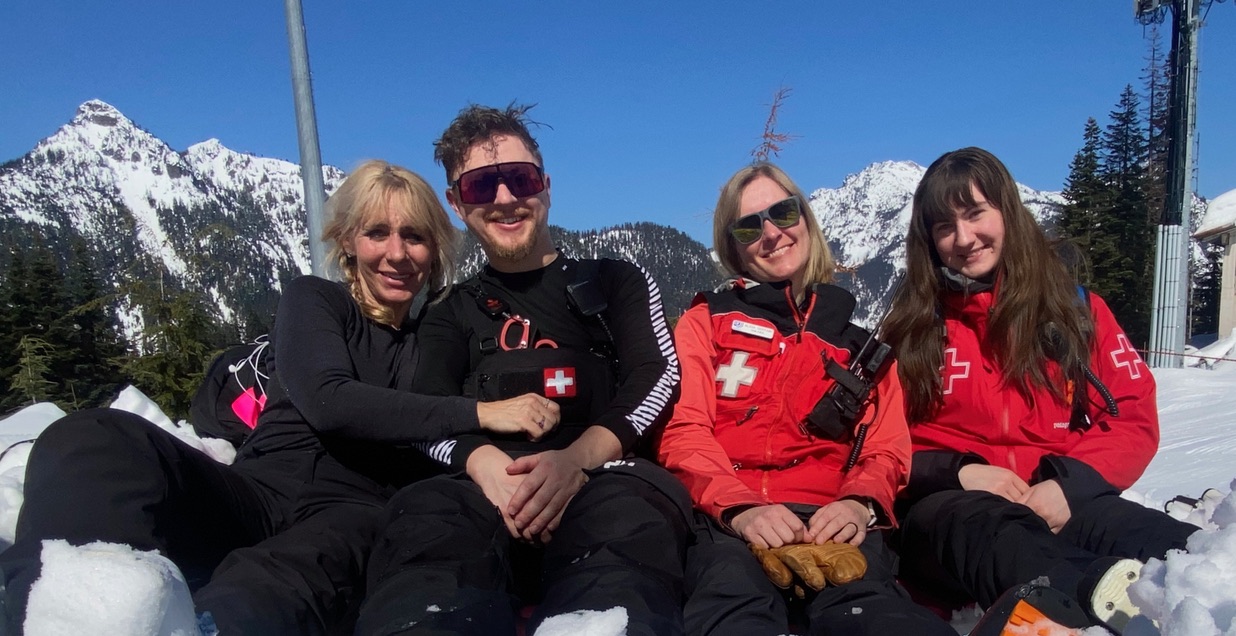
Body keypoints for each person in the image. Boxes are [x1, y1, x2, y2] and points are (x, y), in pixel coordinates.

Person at [0, 160, 554, 634]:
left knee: (282, 579)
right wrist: (477, 411)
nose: (396, 252)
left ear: (434, 252)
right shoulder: (316, 302)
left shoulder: (438, 338)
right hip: (251, 493)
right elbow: (328, 400)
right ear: (347, 242)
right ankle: (69, 607)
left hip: (354, 512)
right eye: (376, 233)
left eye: (413, 236)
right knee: (93, 437)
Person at [355, 104, 691, 636]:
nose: (506, 198)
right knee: (424, 536)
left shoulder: (616, 282)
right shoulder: (448, 310)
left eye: (520, 178)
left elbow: (657, 377)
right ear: (457, 203)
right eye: (481, 186)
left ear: (546, 185)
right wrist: (485, 466)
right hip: (480, 493)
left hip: (605, 483)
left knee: (625, 561)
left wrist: (576, 462)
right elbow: (427, 409)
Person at [882, 147, 1198, 634]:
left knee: (1169, 547)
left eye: (975, 214)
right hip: (950, 515)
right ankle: (1090, 608)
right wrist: (955, 471)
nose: (964, 238)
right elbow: (874, 444)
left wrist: (1069, 485)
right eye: (944, 227)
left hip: (1054, 496)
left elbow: (1132, 415)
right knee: (994, 535)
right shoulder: (910, 328)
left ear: (1006, 210)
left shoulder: (1072, 312)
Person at [658, 162, 955, 635]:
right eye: (749, 226)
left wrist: (859, 504)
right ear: (733, 246)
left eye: (783, 212)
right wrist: (740, 508)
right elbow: (685, 430)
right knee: (731, 604)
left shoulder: (862, 349)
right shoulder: (705, 321)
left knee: (873, 613)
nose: (771, 233)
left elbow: (885, 449)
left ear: (806, 218)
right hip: (730, 522)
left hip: (832, 520)